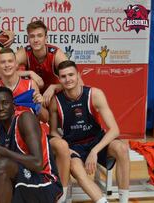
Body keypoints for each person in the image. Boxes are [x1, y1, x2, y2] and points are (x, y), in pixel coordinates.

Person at [49, 60, 130, 203]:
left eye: (71, 75)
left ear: (78, 75)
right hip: (74, 146)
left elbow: (114, 130)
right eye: (63, 76)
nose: (68, 79)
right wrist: (65, 148)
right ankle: (102, 201)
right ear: (59, 79)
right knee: (76, 168)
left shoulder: (95, 94)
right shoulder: (56, 101)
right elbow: (53, 131)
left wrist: (94, 151)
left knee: (122, 148)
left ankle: (124, 200)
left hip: (97, 141)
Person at [0, 86, 62, 203]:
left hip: (44, 181)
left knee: (3, 164)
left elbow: (37, 163)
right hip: (18, 179)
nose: (1, 108)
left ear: (13, 105)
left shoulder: (25, 119)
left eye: (5, 103)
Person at [16, 21, 71, 200]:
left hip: (52, 98)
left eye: (39, 36)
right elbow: (4, 70)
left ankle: (55, 134)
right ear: (28, 37)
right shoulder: (25, 52)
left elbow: (75, 80)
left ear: (46, 38)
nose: (36, 39)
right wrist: (29, 74)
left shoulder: (56, 54)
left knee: (55, 99)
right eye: (32, 36)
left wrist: (54, 87)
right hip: (35, 99)